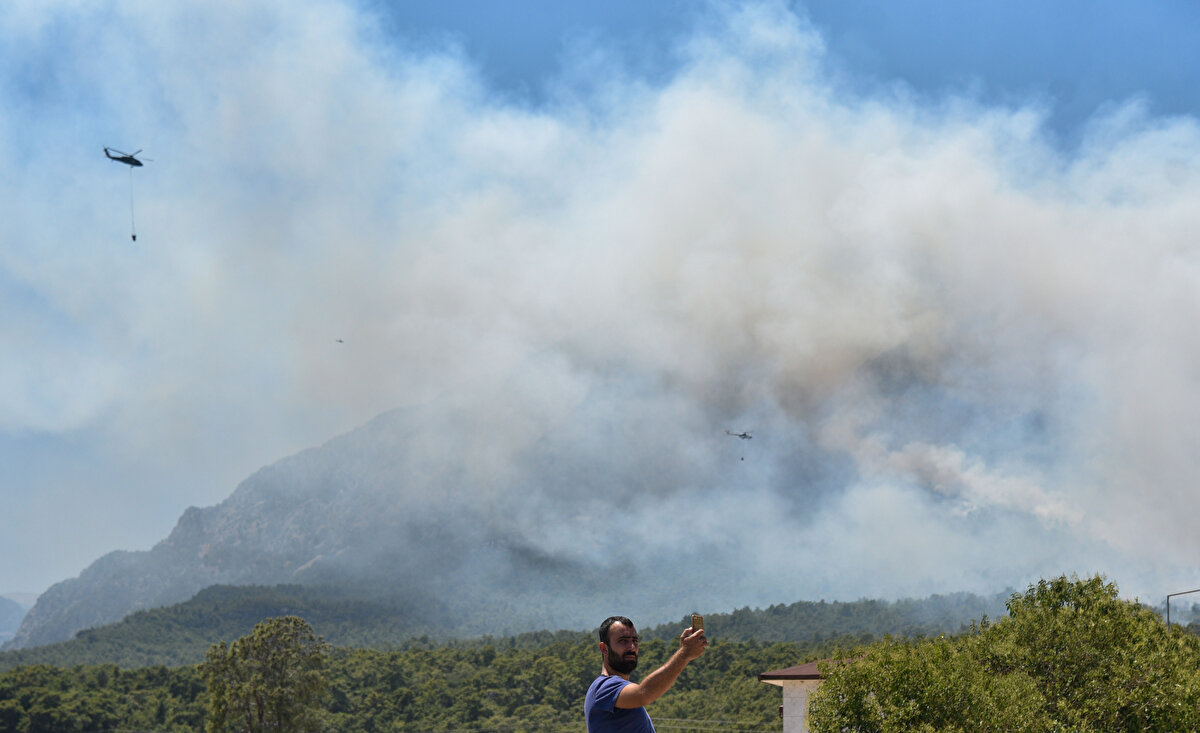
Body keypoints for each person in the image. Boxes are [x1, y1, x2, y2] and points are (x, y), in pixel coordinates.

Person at [584, 615, 708, 732]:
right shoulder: (604, 687)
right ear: (604, 648)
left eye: (635, 640)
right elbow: (643, 694)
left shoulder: (610, 690)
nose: (632, 647)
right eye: (623, 641)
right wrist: (684, 654)